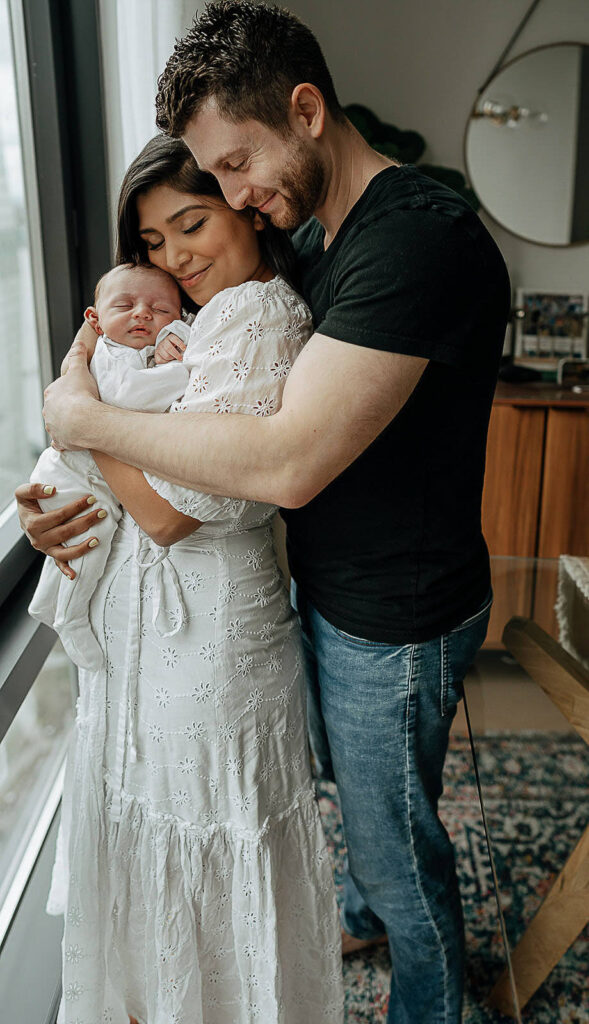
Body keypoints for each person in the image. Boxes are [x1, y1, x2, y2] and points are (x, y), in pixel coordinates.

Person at [18, 4, 512, 1022]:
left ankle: (428, 1003)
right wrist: (69, 469)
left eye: (237, 167)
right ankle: (369, 912)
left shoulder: (413, 238)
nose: (237, 194)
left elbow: (282, 462)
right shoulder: (329, 239)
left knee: (396, 848)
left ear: (305, 108)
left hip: (397, 617)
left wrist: (84, 419)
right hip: (337, 597)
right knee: (365, 832)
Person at [39, 135, 345, 1024]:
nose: (175, 256)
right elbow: (85, 411)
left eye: (192, 224)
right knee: (148, 839)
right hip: (150, 628)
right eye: (153, 243)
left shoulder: (257, 317)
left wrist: (86, 422)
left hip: (211, 634)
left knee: (215, 841)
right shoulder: (173, 318)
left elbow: (173, 513)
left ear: (244, 207)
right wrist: (59, 480)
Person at [29, 262, 190, 670]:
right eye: (126, 305)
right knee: (89, 543)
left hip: (86, 472)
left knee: (76, 548)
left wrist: (172, 338)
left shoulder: (135, 352)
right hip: (73, 474)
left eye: (162, 310)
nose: (143, 314)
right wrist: (180, 371)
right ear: (95, 320)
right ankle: (69, 617)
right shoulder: (109, 357)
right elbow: (132, 398)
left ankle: (47, 602)